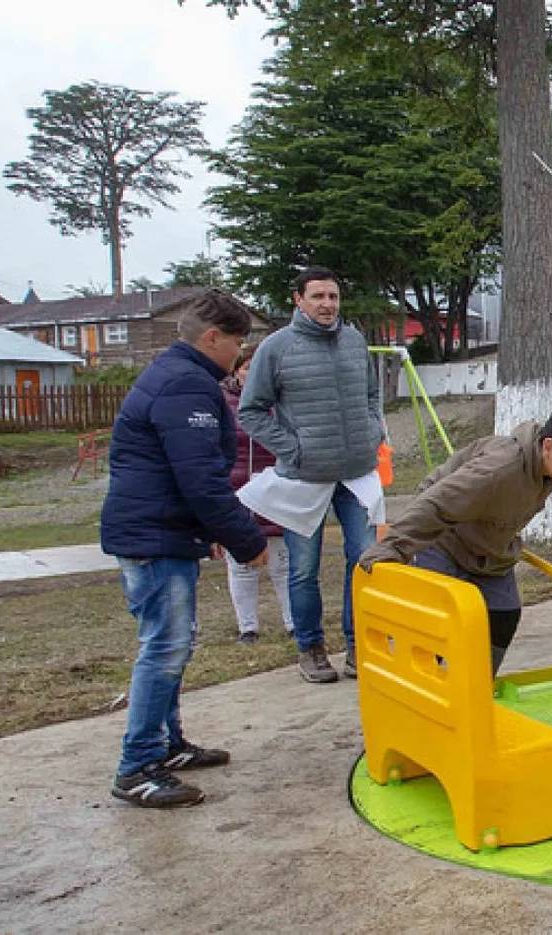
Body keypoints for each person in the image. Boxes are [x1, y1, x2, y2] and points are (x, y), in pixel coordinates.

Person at [101, 290, 268, 808]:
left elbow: (191, 475)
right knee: (165, 648)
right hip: (154, 536)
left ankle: (166, 746)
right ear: (211, 337)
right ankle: (138, 767)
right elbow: (200, 479)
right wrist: (245, 538)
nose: (239, 353)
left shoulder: (179, 377)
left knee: (174, 643)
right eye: (237, 342)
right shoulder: (186, 386)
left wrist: (209, 531)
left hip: (163, 530)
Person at [357, 403, 552, 675]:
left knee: (504, 614)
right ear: (548, 447)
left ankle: (476, 691)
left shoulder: (549, 473)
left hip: (489, 547)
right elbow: (437, 504)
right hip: (445, 536)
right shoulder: (499, 469)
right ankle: (421, 687)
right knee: (436, 624)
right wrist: (391, 547)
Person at [237, 266, 385, 685]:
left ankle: (360, 646)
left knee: (365, 562)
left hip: (356, 474)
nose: (327, 304)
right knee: (304, 569)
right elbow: (251, 412)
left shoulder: (355, 341)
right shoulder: (275, 348)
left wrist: (373, 430)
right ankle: (311, 648)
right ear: (298, 300)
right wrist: (294, 449)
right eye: (317, 296)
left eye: (333, 297)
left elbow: (372, 395)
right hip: (305, 479)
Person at [220, 344, 294, 644]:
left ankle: (293, 623)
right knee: (240, 562)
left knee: (282, 562)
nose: (252, 374)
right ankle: (247, 627)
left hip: (274, 487)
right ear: (236, 370)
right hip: (236, 488)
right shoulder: (222, 402)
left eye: (257, 367)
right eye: (246, 367)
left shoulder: (279, 402)